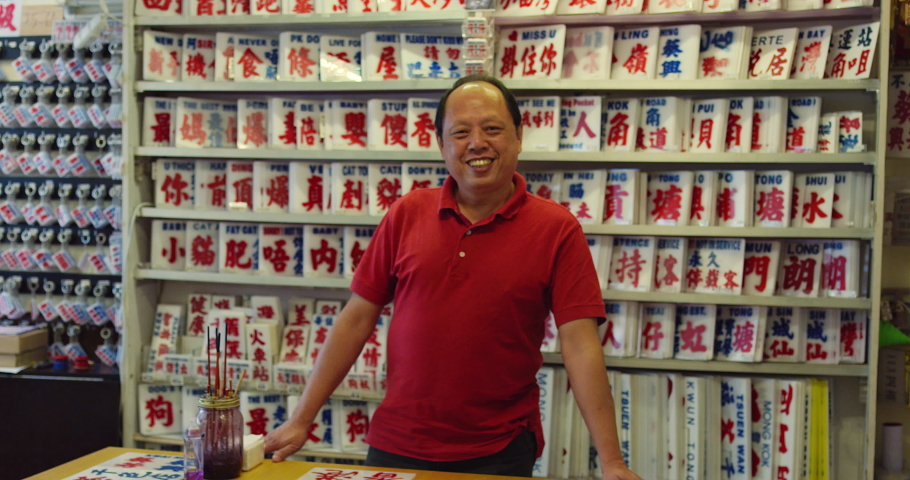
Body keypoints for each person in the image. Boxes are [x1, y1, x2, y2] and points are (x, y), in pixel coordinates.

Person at [264, 74, 642, 480]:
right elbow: (356, 319)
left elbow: (580, 344)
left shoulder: (557, 228)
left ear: (518, 135)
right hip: (396, 442)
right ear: (441, 143)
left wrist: (611, 462)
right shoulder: (407, 213)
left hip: (499, 448)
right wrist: (301, 419)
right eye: (460, 132)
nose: (477, 143)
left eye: (492, 128)